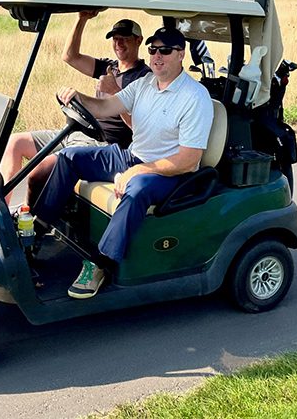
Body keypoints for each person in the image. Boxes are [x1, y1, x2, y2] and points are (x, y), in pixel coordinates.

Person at [33, 27, 214, 299]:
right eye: (153, 49)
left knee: (137, 189)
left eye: (165, 50)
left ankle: (101, 263)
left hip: (170, 173)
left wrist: (136, 171)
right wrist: (78, 97)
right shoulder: (144, 85)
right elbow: (105, 108)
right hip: (133, 156)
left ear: (181, 54)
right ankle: (38, 229)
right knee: (69, 158)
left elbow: (188, 160)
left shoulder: (194, 97)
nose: (157, 56)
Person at [0, 11, 151, 205]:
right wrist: (82, 18)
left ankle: (32, 224)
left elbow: (139, 128)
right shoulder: (109, 67)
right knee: (15, 142)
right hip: (79, 133)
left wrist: (115, 92)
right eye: (115, 39)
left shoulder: (144, 79)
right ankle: (1, 211)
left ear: (139, 40)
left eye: (125, 39)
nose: (118, 43)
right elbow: (70, 56)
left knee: (40, 172)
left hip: (103, 146)